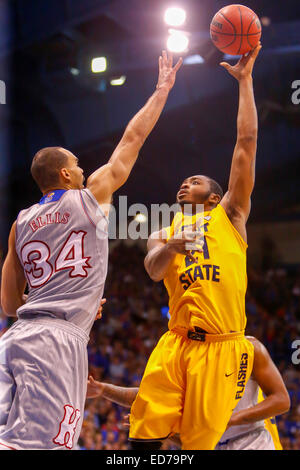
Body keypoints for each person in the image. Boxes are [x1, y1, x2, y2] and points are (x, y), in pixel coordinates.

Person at [0, 51, 182, 451]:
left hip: (13, 340)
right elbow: (132, 140)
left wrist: (59, 297)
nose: (84, 170)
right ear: (66, 174)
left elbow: (11, 304)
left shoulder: (20, 222)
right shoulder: (88, 197)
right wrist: (161, 90)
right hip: (57, 342)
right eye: (78, 165)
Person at [128, 44, 262, 450]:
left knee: (195, 446)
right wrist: (170, 244)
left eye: (196, 181)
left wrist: (245, 82)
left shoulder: (231, 214)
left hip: (221, 348)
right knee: (143, 436)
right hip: (175, 342)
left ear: (213, 195)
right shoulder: (163, 228)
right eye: (183, 181)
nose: (185, 183)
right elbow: (153, 269)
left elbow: (246, 141)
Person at [86, 336, 290, 450]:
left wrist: (230, 419)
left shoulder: (249, 347)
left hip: (253, 440)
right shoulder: (184, 354)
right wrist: (104, 389)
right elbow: (151, 397)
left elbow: (282, 400)